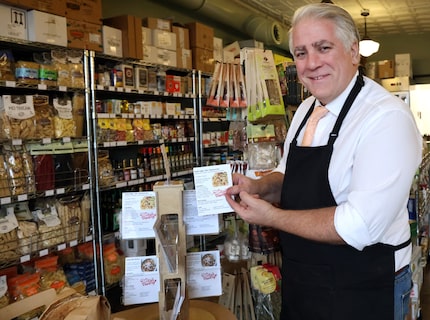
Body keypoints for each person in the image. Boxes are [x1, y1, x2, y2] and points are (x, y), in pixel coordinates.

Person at [225, 3, 423, 320]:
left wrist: (272, 217)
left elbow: (358, 226)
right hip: (305, 282)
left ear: (353, 51)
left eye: (323, 47)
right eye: (301, 53)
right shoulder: (305, 111)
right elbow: (287, 173)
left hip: (363, 288)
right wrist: (260, 187)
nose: (311, 63)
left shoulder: (385, 119)